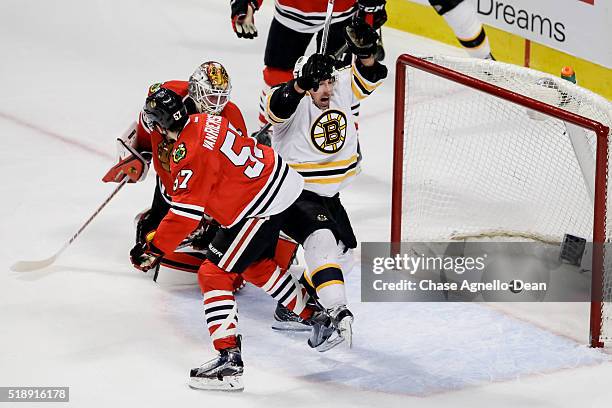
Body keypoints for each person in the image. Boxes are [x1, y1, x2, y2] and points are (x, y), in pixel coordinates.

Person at [131, 88, 343, 391]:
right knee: (254, 264)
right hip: (282, 181)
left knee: (213, 272)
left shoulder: (187, 154)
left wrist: (153, 249)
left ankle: (228, 360)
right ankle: (317, 317)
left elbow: (184, 216)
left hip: (259, 205)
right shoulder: (205, 120)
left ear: (161, 124)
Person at [265, 18, 386, 331]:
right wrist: (303, 83)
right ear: (305, 82)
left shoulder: (341, 87)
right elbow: (278, 105)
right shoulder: (290, 101)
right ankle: (335, 311)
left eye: (330, 81)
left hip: (330, 194)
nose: (327, 89)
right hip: (296, 191)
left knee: (344, 252)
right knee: (322, 243)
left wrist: (366, 51)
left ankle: (294, 307)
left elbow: (370, 74)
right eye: (319, 83)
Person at [103, 61, 248, 279]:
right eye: (211, 97)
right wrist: (138, 151)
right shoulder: (170, 95)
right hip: (171, 174)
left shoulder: (231, 114)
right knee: (157, 224)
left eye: (221, 97)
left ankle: (208, 231)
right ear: (197, 91)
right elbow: (146, 121)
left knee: (213, 217)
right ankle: (153, 223)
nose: (216, 104)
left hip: (205, 179)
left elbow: (238, 158)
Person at [230, 0, 387, 129]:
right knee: (278, 73)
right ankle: (270, 130)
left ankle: (346, 132)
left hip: (342, 13)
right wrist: (245, 5)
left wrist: (370, 13)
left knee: (342, 78)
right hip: (293, 10)